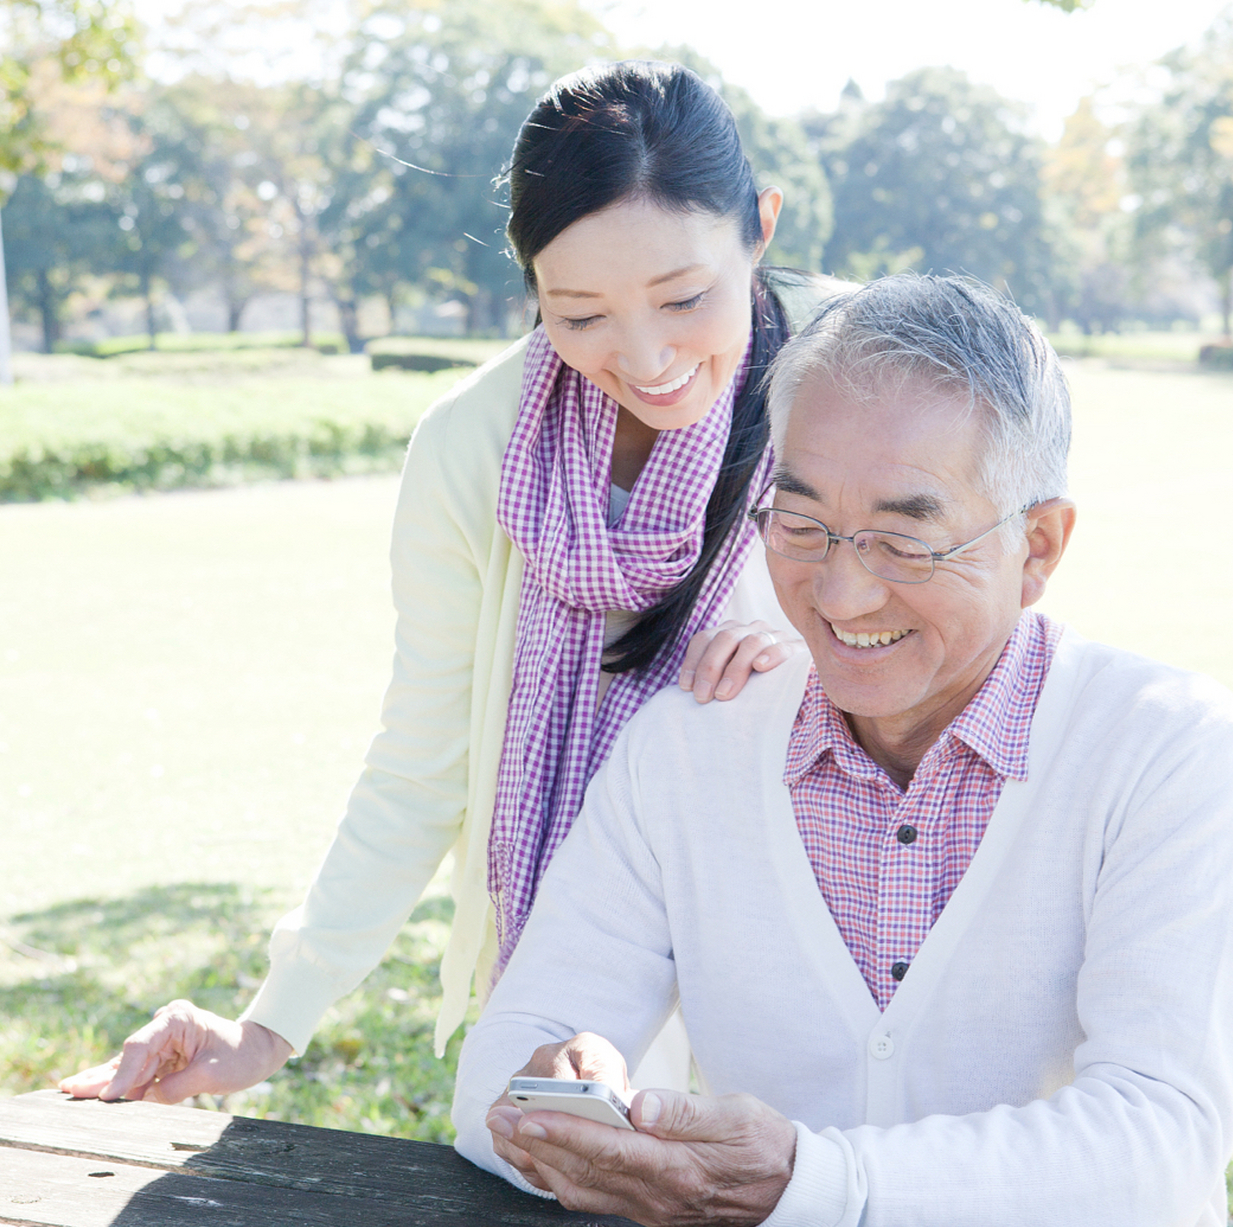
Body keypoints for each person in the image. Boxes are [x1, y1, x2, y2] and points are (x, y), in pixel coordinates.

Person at [60, 62, 841, 1104]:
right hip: (577, 990)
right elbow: (423, 758)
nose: (645, 357)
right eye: (581, 313)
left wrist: (817, 673)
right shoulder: (475, 448)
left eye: (684, 297)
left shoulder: (852, 388)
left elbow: (978, 649)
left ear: (762, 227)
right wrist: (269, 1020)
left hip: (833, 965)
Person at [452, 274, 1233, 1227]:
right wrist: (563, 1101)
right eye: (800, 524)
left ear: (1039, 544)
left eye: (903, 538)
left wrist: (810, 1183)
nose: (841, 590)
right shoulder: (687, 747)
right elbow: (501, 1069)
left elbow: (1158, 1136)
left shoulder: (1168, 748)